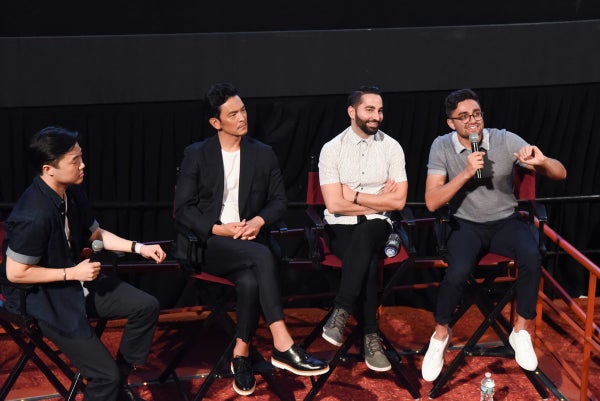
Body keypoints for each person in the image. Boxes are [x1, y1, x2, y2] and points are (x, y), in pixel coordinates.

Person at [173, 83, 329, 396]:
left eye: (243, 109)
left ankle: (240, 356)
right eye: (233, 114)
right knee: (260, 257)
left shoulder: (262, 153)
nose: (242, 117)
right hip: (208, 244)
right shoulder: (197, 154)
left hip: (248, 240)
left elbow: (279, 202)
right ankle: (283, 344)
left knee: (250, 281)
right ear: (216, 123)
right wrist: (220, 229)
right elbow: (182, 210)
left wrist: (257, 222)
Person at [0, 126, 168, 401]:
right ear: (48, 169)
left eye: (81, 157)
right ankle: (110, 383)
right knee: (104, 376)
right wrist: (71, 272)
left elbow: (96, 234)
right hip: (41, 299)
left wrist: (139, 248)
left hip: (75, 282)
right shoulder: (33, 214)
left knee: (145, 306)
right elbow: (16, 273)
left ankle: (118, 384)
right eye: (74, 161)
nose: (82, 165)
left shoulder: (71, 193)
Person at [421, 88, 567, 382]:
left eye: (476, 114)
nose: (472, 121)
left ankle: (520, 331)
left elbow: (560, 173)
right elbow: (432, 201)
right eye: (463, 117)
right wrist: (464, 173)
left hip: (505, 220)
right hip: (466, 224)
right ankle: (440, 335)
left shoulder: (504, 139)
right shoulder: (441, 146)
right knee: (457, 272)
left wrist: (540, 161)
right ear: (451, 123)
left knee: (531, 254)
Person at [318, 86, 408, 371]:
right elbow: (334, 204)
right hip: (340, 228)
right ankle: (370, 336)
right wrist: (380, 202)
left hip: (379, 227)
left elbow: (400, 201)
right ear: (352, 111)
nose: (376, 116)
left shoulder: (392, 147)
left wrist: (354, 196)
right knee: (366, 258)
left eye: (380, 110)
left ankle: (341, 312)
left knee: (369, 232)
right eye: (370, 109)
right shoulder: (332, 149)